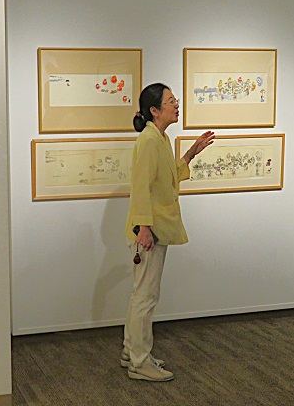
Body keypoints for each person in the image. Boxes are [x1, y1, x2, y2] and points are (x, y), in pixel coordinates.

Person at [121, 83, 215, 381]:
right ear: (154, 110)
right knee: (145, 297)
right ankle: (139, 362)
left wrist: (191, 153)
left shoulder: (160, 138)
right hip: (149, 231)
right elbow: (141, 186)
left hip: (155, 227)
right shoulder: (149, 140)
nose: (177, 106)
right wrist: (144, 227)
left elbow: (166, 177)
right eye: (171, 101)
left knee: (142, 295)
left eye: (176, 101)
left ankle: (132, 352)